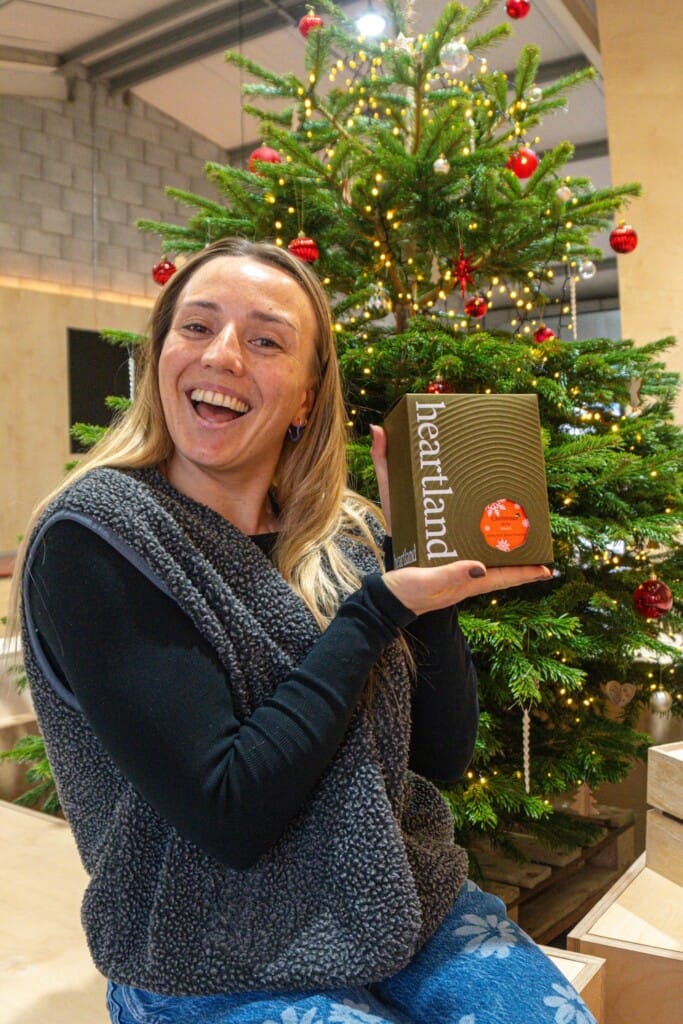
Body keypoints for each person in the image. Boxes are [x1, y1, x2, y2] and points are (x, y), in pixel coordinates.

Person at [15, 238, 596, 1024]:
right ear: (159, 356)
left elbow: (438, 757)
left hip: (399, 903)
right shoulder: (101, 538)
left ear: (306, 396)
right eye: (197, 327)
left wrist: (426, 575)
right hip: (208, 948)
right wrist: (378, 609)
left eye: (264, 340)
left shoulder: (343, 536)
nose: (222, 355)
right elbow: (229, 811)